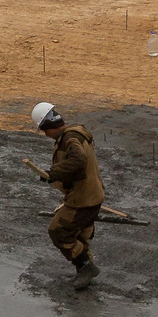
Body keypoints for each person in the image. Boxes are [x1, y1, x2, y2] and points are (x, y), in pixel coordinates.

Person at [32, 101, 105, 290]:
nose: (45, 135)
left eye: (44, 130)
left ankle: (87, 268)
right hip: (90, 195)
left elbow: (78, 159)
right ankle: (84, 271)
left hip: (83, 199)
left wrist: (54, 172)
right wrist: (53, 176)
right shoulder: (73, 134)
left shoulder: (70, 138)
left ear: (49, 126)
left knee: (59, 231)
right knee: (79, 235)